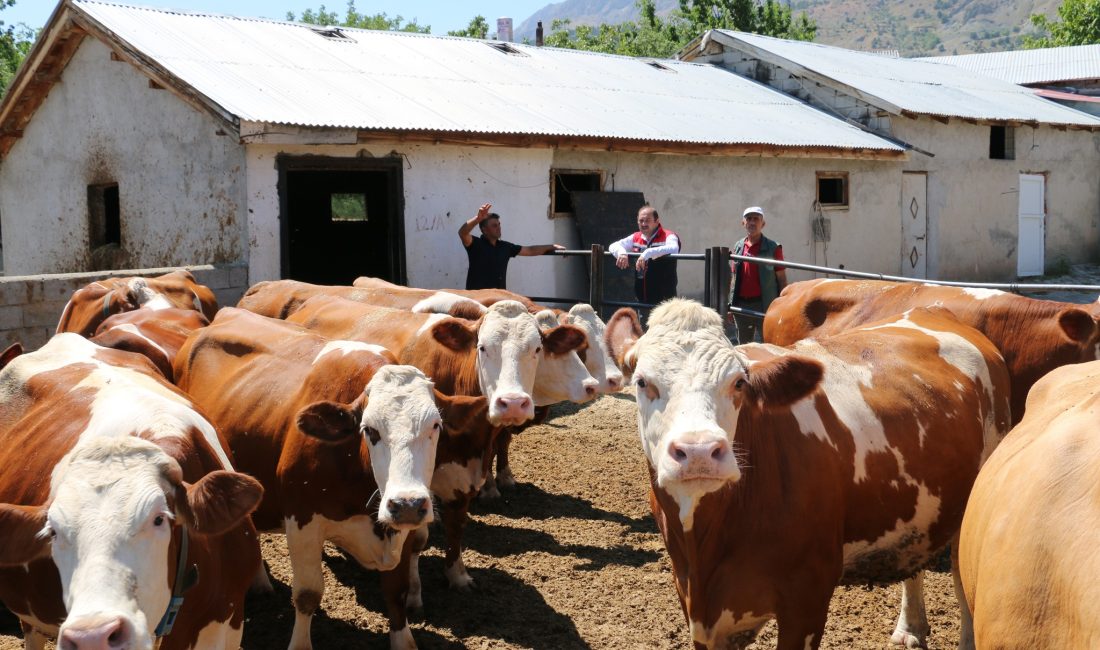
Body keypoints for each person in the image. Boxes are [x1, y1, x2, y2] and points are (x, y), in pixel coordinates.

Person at [459, 203, 564, 290]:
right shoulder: (475, 244)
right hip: (477, 300)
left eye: (499, 224)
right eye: (494, 225)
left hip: (498, 300)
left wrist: (553, 246)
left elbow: (530, 250)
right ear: (484, 230)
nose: (499, 228)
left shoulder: (505, 247)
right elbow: (462, 233)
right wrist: (478, 219)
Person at [727, 206, 787, 343]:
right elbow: (734, 278)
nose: (752, 222)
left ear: (763, 224)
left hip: (765, 304)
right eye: (748, 219)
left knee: (768, 344)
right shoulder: (738, 246)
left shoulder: (773, 247)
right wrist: (730, 305)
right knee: (744, 347)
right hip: (741, 305)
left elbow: (782, 279)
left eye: (756, 219)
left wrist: (782, 304)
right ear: (743, 223)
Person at [609, 206, 681, 316]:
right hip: (642, 297)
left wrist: (647, 253)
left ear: (657, 221)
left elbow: (674, 248)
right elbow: (614, 245)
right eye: (641, 221)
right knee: (643, 329)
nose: (643, 224)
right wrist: (621, 253)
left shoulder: (668, 235)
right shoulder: (636, 237)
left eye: (647, 220)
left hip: (665, 299)